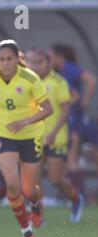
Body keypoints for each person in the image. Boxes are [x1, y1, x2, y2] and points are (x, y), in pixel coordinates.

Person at [0, 40, 53, 237]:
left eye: (9, 59)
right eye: (1, 59)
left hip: (30, 135)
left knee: (29, 190)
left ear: (17, 59)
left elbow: (48, 109)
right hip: (3, 134)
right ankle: (26, 231)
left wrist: (25, 122)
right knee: (12, 185)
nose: (5, 63)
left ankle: (35, 205)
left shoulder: (30, 78)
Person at [26, 48, 84, 223]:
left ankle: (75, 198)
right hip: (34, 137)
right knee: (33, 180)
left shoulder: (58, 82)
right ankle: (39, 214)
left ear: (48, 63)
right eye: (32, 62)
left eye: (39, 62)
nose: (36, 66)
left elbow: (65, 111)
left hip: (55, 138)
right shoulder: (26, 82)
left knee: (55, 179)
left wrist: (53, 133)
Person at [49, 43, 98, 196]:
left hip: (75, 119)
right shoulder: (59, 72)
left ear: (58, 57)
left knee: (71, 157)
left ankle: (78, 195)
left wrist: (84, 101)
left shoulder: (68, 68)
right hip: (74, 120)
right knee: (71, 158)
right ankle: (75, 194)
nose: (48, 60)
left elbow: (91, 79)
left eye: (50, 57)